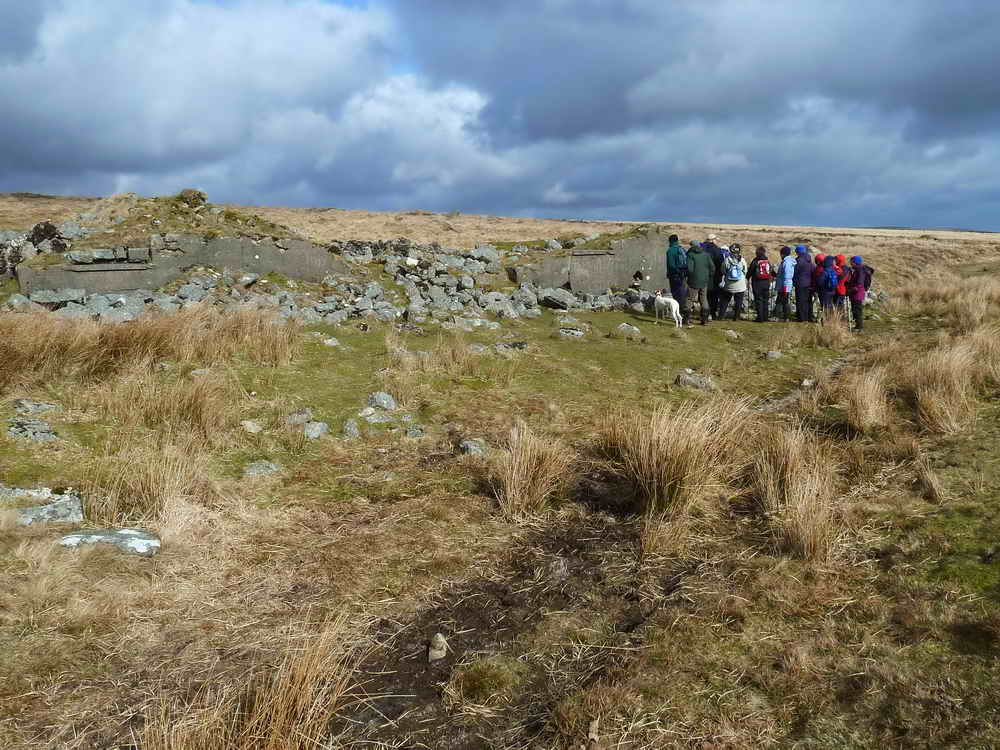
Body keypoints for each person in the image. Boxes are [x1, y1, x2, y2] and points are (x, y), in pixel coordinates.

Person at [686, 241, 717, 326]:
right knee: (704, 299)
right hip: (704, 281)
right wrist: (707, 276)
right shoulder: (706, 254)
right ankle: (705, 320)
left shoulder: (690, 255)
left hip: (693, 281)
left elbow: (690, 269)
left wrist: (688, 276)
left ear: (692, 246)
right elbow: (712, 267)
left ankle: (686, 319)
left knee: (690, 299)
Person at [717, 244, 748, 320]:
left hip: (729, 285)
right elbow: (745, 270)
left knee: (724, 301)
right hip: (740, 285)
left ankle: (721, 316)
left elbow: (723, 271)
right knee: (738, 301)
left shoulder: (727, 260)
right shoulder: (742, 260)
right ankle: (736, 317)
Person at [666, 234, 690, 326]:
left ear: (670, 241)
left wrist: (674, 272)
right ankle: (686, 315)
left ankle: (680, 315)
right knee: (682, 294)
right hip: (683, 276)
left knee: (676, 295)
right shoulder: (682, 249)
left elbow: (671, 265)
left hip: (675, 276)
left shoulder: (670, 251)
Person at [846, 255, 875, 331]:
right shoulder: (858, 269)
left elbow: (859, 283)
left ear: (855, 262)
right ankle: (858, 326)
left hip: (857, 293)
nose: (850, 263)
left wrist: (851, 290)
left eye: (851, 262)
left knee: (857, 310)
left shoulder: (860, 270)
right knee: (856, 309)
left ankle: (859, 326)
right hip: (857, 292)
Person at [747, 246, 774, 322]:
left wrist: (747, 277)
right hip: (766, 283)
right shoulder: (767, 260)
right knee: (765, 300)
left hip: (757, 283)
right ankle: (765, 317)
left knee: (759, 300)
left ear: (757, 253)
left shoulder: (755, 261)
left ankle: (760, 318)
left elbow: (750, 271)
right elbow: (771, 271)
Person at [792, 245, 815, 322]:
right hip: (809, 284)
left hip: (800, 284)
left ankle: (802, 318)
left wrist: (794, 282)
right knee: (808, 301)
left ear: (798, 252)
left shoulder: (798, 261)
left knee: (801, 301)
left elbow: (795, 273)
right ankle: (809, 317)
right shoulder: (810, 260)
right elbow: (813, 271)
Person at [705, 239, 726, 320]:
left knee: (706, 295)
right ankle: (713, 313)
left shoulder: (704, 250)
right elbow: (722, 264)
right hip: (716, 276)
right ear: (713, 241)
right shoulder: (718, 250)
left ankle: (706, 312)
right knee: (714, 296)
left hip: (706, 276)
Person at [775, 246, 795, 322]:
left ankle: (779, 317)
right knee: (784, 301)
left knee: (780, 302)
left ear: (783, 254)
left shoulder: (786, 263)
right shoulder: (787, 261)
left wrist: (785, 287)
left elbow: (787, 276)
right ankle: (785, 317)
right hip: (785, 285)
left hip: (784, 286)